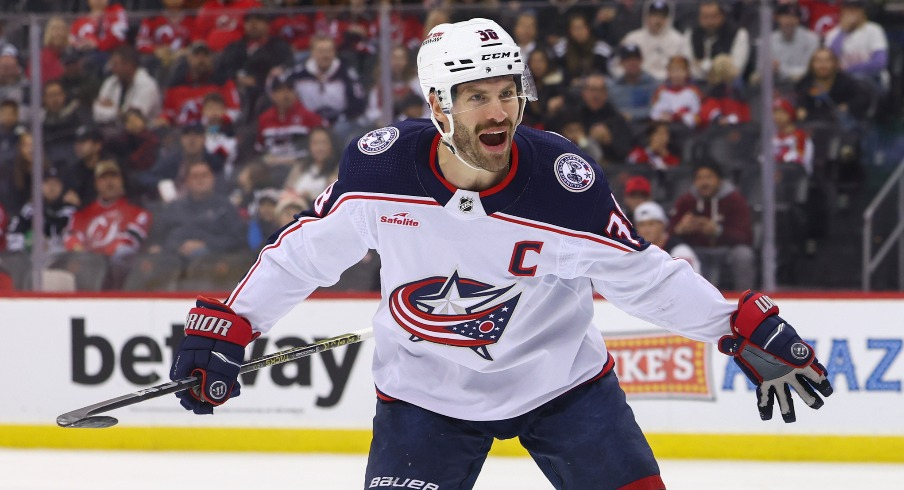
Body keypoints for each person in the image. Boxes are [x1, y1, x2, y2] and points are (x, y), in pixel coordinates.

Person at [167, 18, 833, 490]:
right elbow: (301, 256)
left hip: (563, 385)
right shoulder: (382, 172)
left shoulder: (561, 181)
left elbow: (639, 274)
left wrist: (732, 324)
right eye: (478, 95)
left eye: (508, 90)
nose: (500, 109)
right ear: (438, 104)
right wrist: (237, 321)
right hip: (424, 395)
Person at [669, 160, 756, 291]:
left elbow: (746, 236)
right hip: (697, 251)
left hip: (727, 250)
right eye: (699, 178)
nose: (704, 182)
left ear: (719, 180)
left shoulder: (734, 200)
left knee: (743, 254)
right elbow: (667, 234)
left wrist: (718, 231)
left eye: (709, 177)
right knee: (680, 253)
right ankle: (687, 300)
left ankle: (746, 297)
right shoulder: (686, 201)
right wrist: (680, 229)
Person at [619, 0, 691, 81]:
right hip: (638, 82)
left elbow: (686, 67)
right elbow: (618, 67)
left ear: (669, 18)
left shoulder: (678, 40)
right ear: (646, 16)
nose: (658, 20)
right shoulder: (632, 38)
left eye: (662, 16)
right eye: (654, 15)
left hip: (667, 83)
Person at [634, 200, 699, 274]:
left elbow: (689, 281)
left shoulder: (680, 250)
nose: (646, 230)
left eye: (651, 224)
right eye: (642, 225)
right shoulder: (634, 252)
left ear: (663, 225)